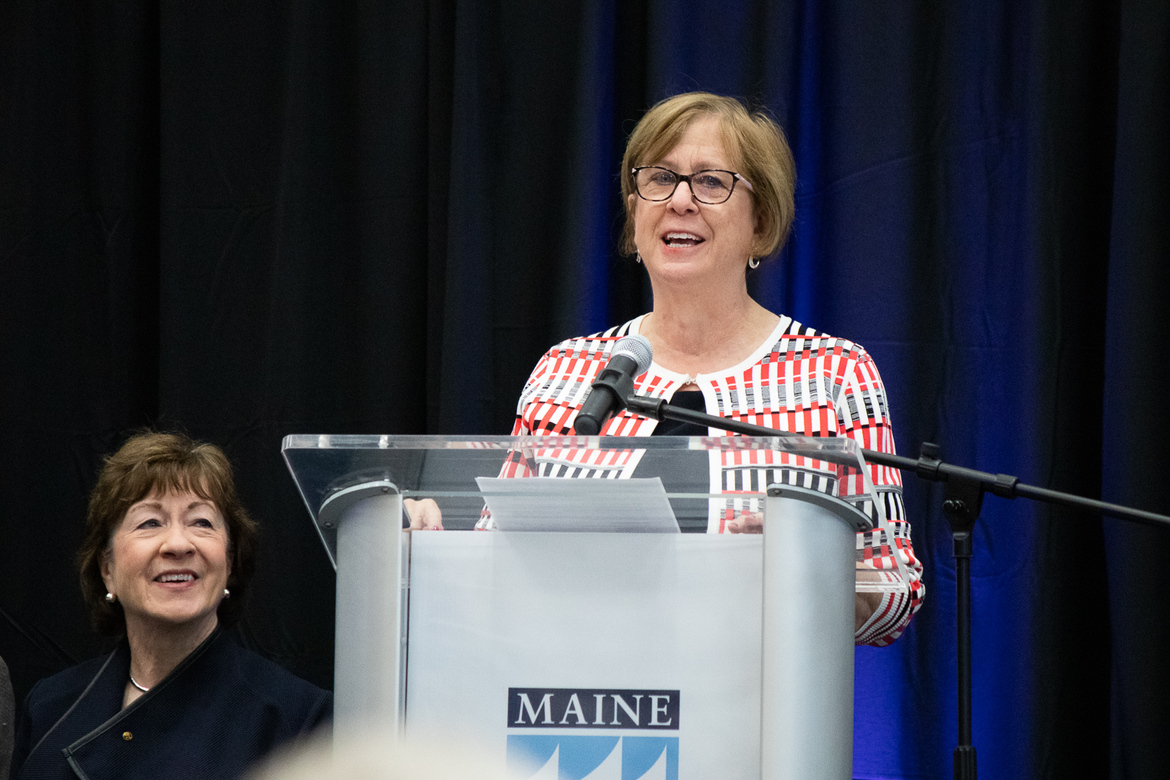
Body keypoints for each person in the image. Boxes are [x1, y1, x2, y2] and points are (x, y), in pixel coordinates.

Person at [477, 92, 924, 646]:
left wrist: (808, 562)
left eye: (712, 182)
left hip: (757, 708)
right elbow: (489, 553)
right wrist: (420, 542)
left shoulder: (833, 372)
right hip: (574, 703)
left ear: (760, 223)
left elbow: (895, 586)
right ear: (635, 215)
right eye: (660, 178)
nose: (680, 200)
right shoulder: (567, 371)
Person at [10, 432, 331, 780]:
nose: (178, 544)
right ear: (107, 570)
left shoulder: (298, 719)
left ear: (230, 563)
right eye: (150, 522)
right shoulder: (49, 705)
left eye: (201, 522)